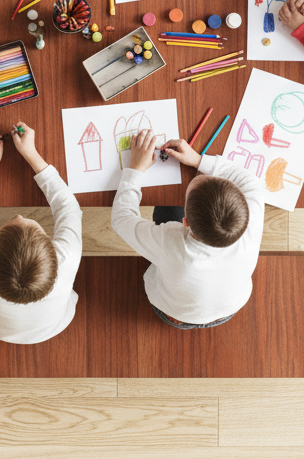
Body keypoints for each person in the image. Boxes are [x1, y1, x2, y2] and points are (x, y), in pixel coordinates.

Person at [111, 129, 265, 329]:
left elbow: (121, 219)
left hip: (175, 313)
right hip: (228, 309)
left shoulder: (171, 242)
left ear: (185, 222)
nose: (203, 176)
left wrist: (136, 169)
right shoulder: (252, 215)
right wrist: (199, 161)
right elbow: (252, 182)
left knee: (168, 209)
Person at [0, 122, 82, 344]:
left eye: (10, 224)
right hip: (54, 325)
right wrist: (31, 154)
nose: (19, 216)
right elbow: (69, 208)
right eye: (32, 225)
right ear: (52, 247)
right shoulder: (67, 256)